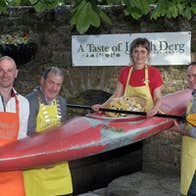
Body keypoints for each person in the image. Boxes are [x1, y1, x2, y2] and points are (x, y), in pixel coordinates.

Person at [23, 66, 73, 196]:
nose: (54, 88)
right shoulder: (30, 101)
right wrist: (44, 159)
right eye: (51, 82)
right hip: (38, 166)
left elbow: (62, 132)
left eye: (58, 84)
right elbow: (28, 136)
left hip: (59, 166)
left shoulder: (62, 102)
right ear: (42, 81)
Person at [92, 37, 164, 117]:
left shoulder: (154, 72)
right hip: (128, 114)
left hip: (147, 114)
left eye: (143, 51)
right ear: (131, 53)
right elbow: (117, 95)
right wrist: (102, 106)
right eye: (136, 51)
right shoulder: (125, 71)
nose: (139, 55)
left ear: (148, 54)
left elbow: (157, 98)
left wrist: (154, 110)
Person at [0, 56, 29, 196]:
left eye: (9, 70)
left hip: (13, 169)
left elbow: (22, 138)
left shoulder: (24, 103)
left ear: (16, 73)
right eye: (1, 70)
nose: (5, 75)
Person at [173, 62, 196, 196]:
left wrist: (180, 130)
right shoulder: (193, 95)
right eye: (188, 76)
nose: (191, 79)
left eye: (195, 75)